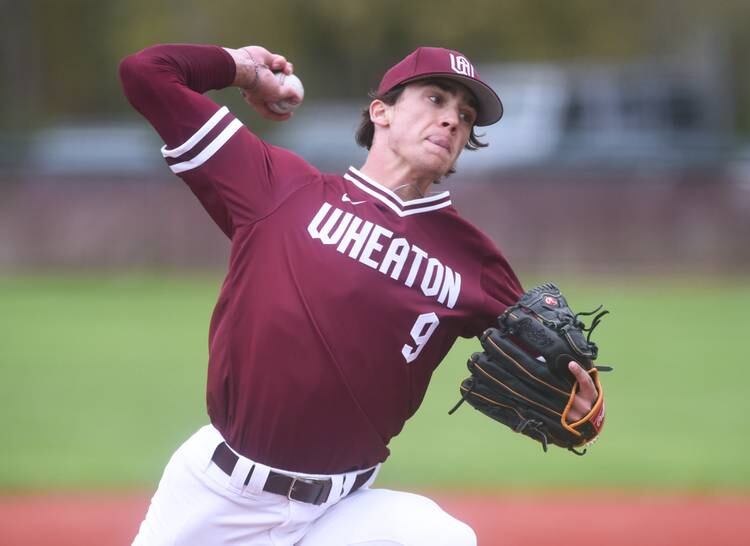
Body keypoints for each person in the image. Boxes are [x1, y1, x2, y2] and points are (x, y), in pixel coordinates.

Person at [119, 43, 600, 546]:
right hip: (216, 502)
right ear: (381, 111)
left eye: (465, 115)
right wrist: (246, 73)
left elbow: (548, 361)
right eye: (436, 99)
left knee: (441, 538)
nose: (453, 121)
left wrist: (585, 407)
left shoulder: (472, 260)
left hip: (339, 515)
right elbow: (146, 74)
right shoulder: (278, 189)